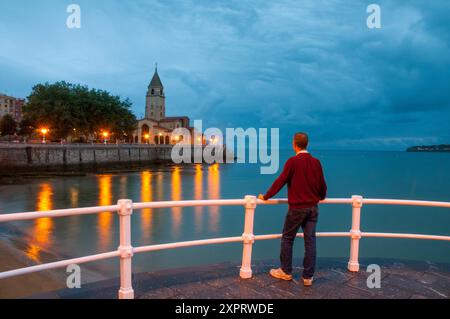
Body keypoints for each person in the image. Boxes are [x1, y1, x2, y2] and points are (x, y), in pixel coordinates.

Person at [258, 132, 327, 286]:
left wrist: (266, 196)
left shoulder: (292, 162)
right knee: (310, 241)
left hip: (297, 209)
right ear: (307, 144)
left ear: (294, 144)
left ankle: (286, 271)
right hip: (313, 208)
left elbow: (280, 181)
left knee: (288, 238)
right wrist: (321, 196)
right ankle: (308, 277)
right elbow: (322, 184)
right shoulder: (316, 162)